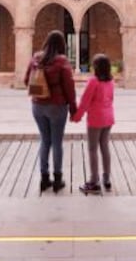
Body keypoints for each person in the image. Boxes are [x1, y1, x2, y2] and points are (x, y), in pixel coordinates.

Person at [24, 29, 77, 193]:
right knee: (56, 143)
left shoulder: (36, 58)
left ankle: (44, 178)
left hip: (37, 106)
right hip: (56, 107)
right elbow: (69, 87)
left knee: (44, 141)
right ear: (62, 44)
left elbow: (27, 80)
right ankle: (58, 179)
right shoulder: (62, 62)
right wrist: (73, 108)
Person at [71, 53, 115, 194]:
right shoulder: (111, 81)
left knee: (92, 149)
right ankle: (106, 179)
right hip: (108, 118)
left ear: (96, 67)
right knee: (105, 147)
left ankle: (94, 181)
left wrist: (76, 116)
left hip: (96, 120)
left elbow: (85, 101)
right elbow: (111, 99)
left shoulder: (93, 82)